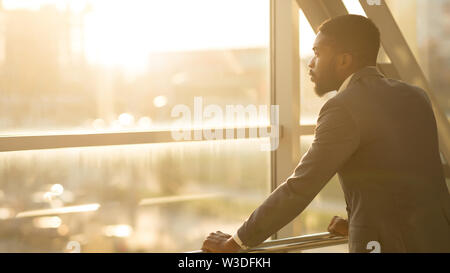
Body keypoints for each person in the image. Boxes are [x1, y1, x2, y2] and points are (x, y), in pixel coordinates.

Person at [201, 14, 450, 253]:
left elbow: (300, 187)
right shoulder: (415, 95)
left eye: (318, 53)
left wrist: (236, 242)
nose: (310, 63)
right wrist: (356, 222)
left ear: (344, 60)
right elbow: (407, 176)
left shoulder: (344, 107)